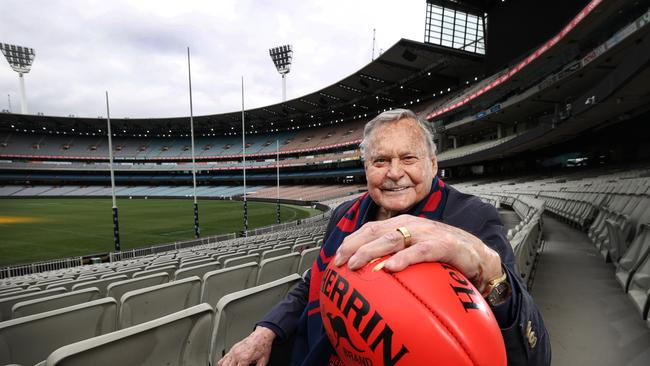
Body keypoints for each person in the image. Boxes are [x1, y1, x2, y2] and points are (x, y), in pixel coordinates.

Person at [218, 109, 551, 366]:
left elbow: (533, 355)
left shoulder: (471, 218)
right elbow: (313, 285)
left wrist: (490, 270)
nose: (394, 172)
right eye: (380, 160)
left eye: (408, 158)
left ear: (433, 165)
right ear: (366, 168)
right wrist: (266, 331)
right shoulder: (344, 214)